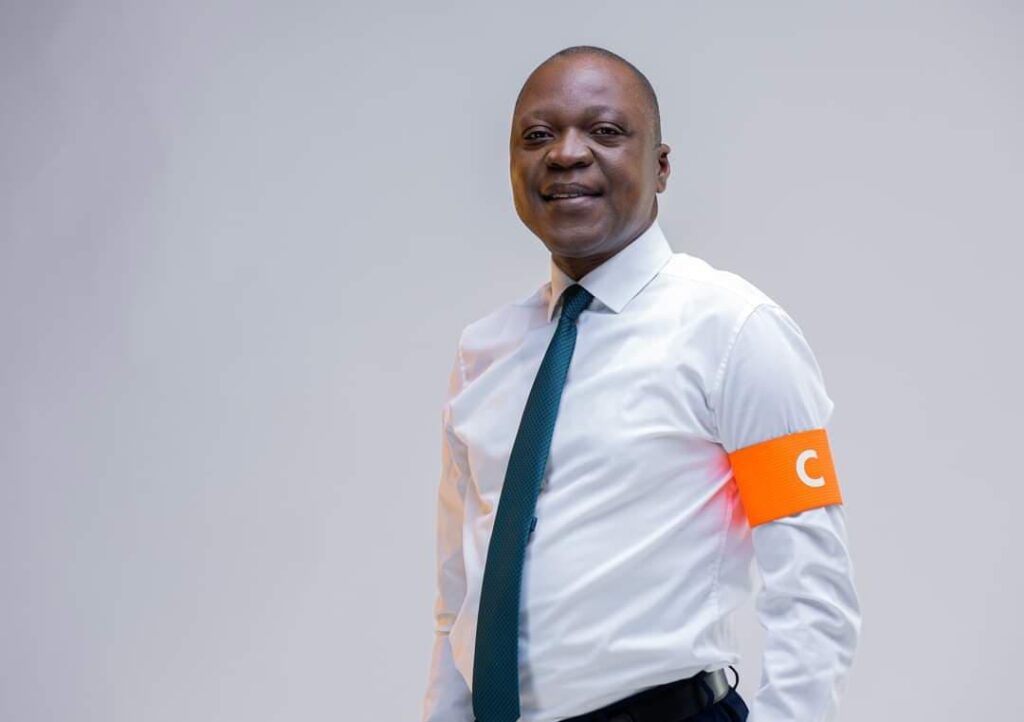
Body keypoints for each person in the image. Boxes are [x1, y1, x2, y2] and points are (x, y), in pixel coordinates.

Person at [421, 45, 861, 722]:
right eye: (537, 136)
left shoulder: (735, 332)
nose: (566, 154)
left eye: (605, 131)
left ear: (660, 166)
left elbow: (813, 590)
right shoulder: (484, 353)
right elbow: (459, 602)